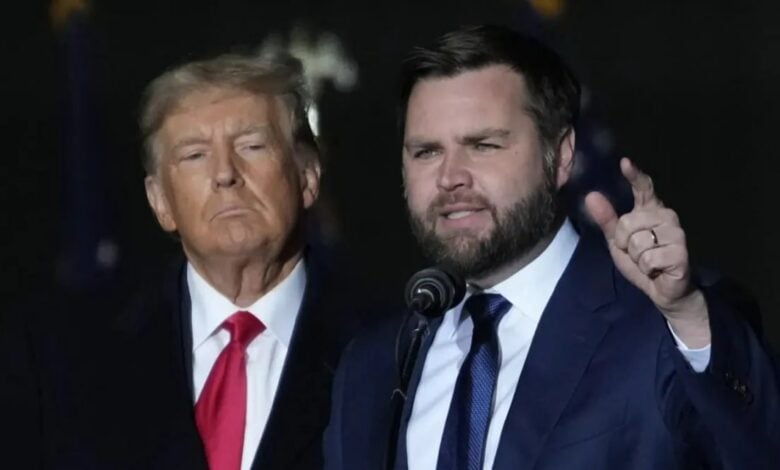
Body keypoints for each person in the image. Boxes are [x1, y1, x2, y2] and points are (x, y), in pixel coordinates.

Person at [325, 24, 779, 469]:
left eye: (483, 145)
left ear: (561, 156)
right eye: (426, 151)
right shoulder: (371, 367)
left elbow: (756, 444)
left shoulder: (668, 327)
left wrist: (688, 316)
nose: (450, 177)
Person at [0, 50, 363, 469]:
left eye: (251, 145)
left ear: (308, 177)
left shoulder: (391, 348)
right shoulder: (64, 353)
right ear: (160, 202)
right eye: (194, 155)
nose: (225, 174)